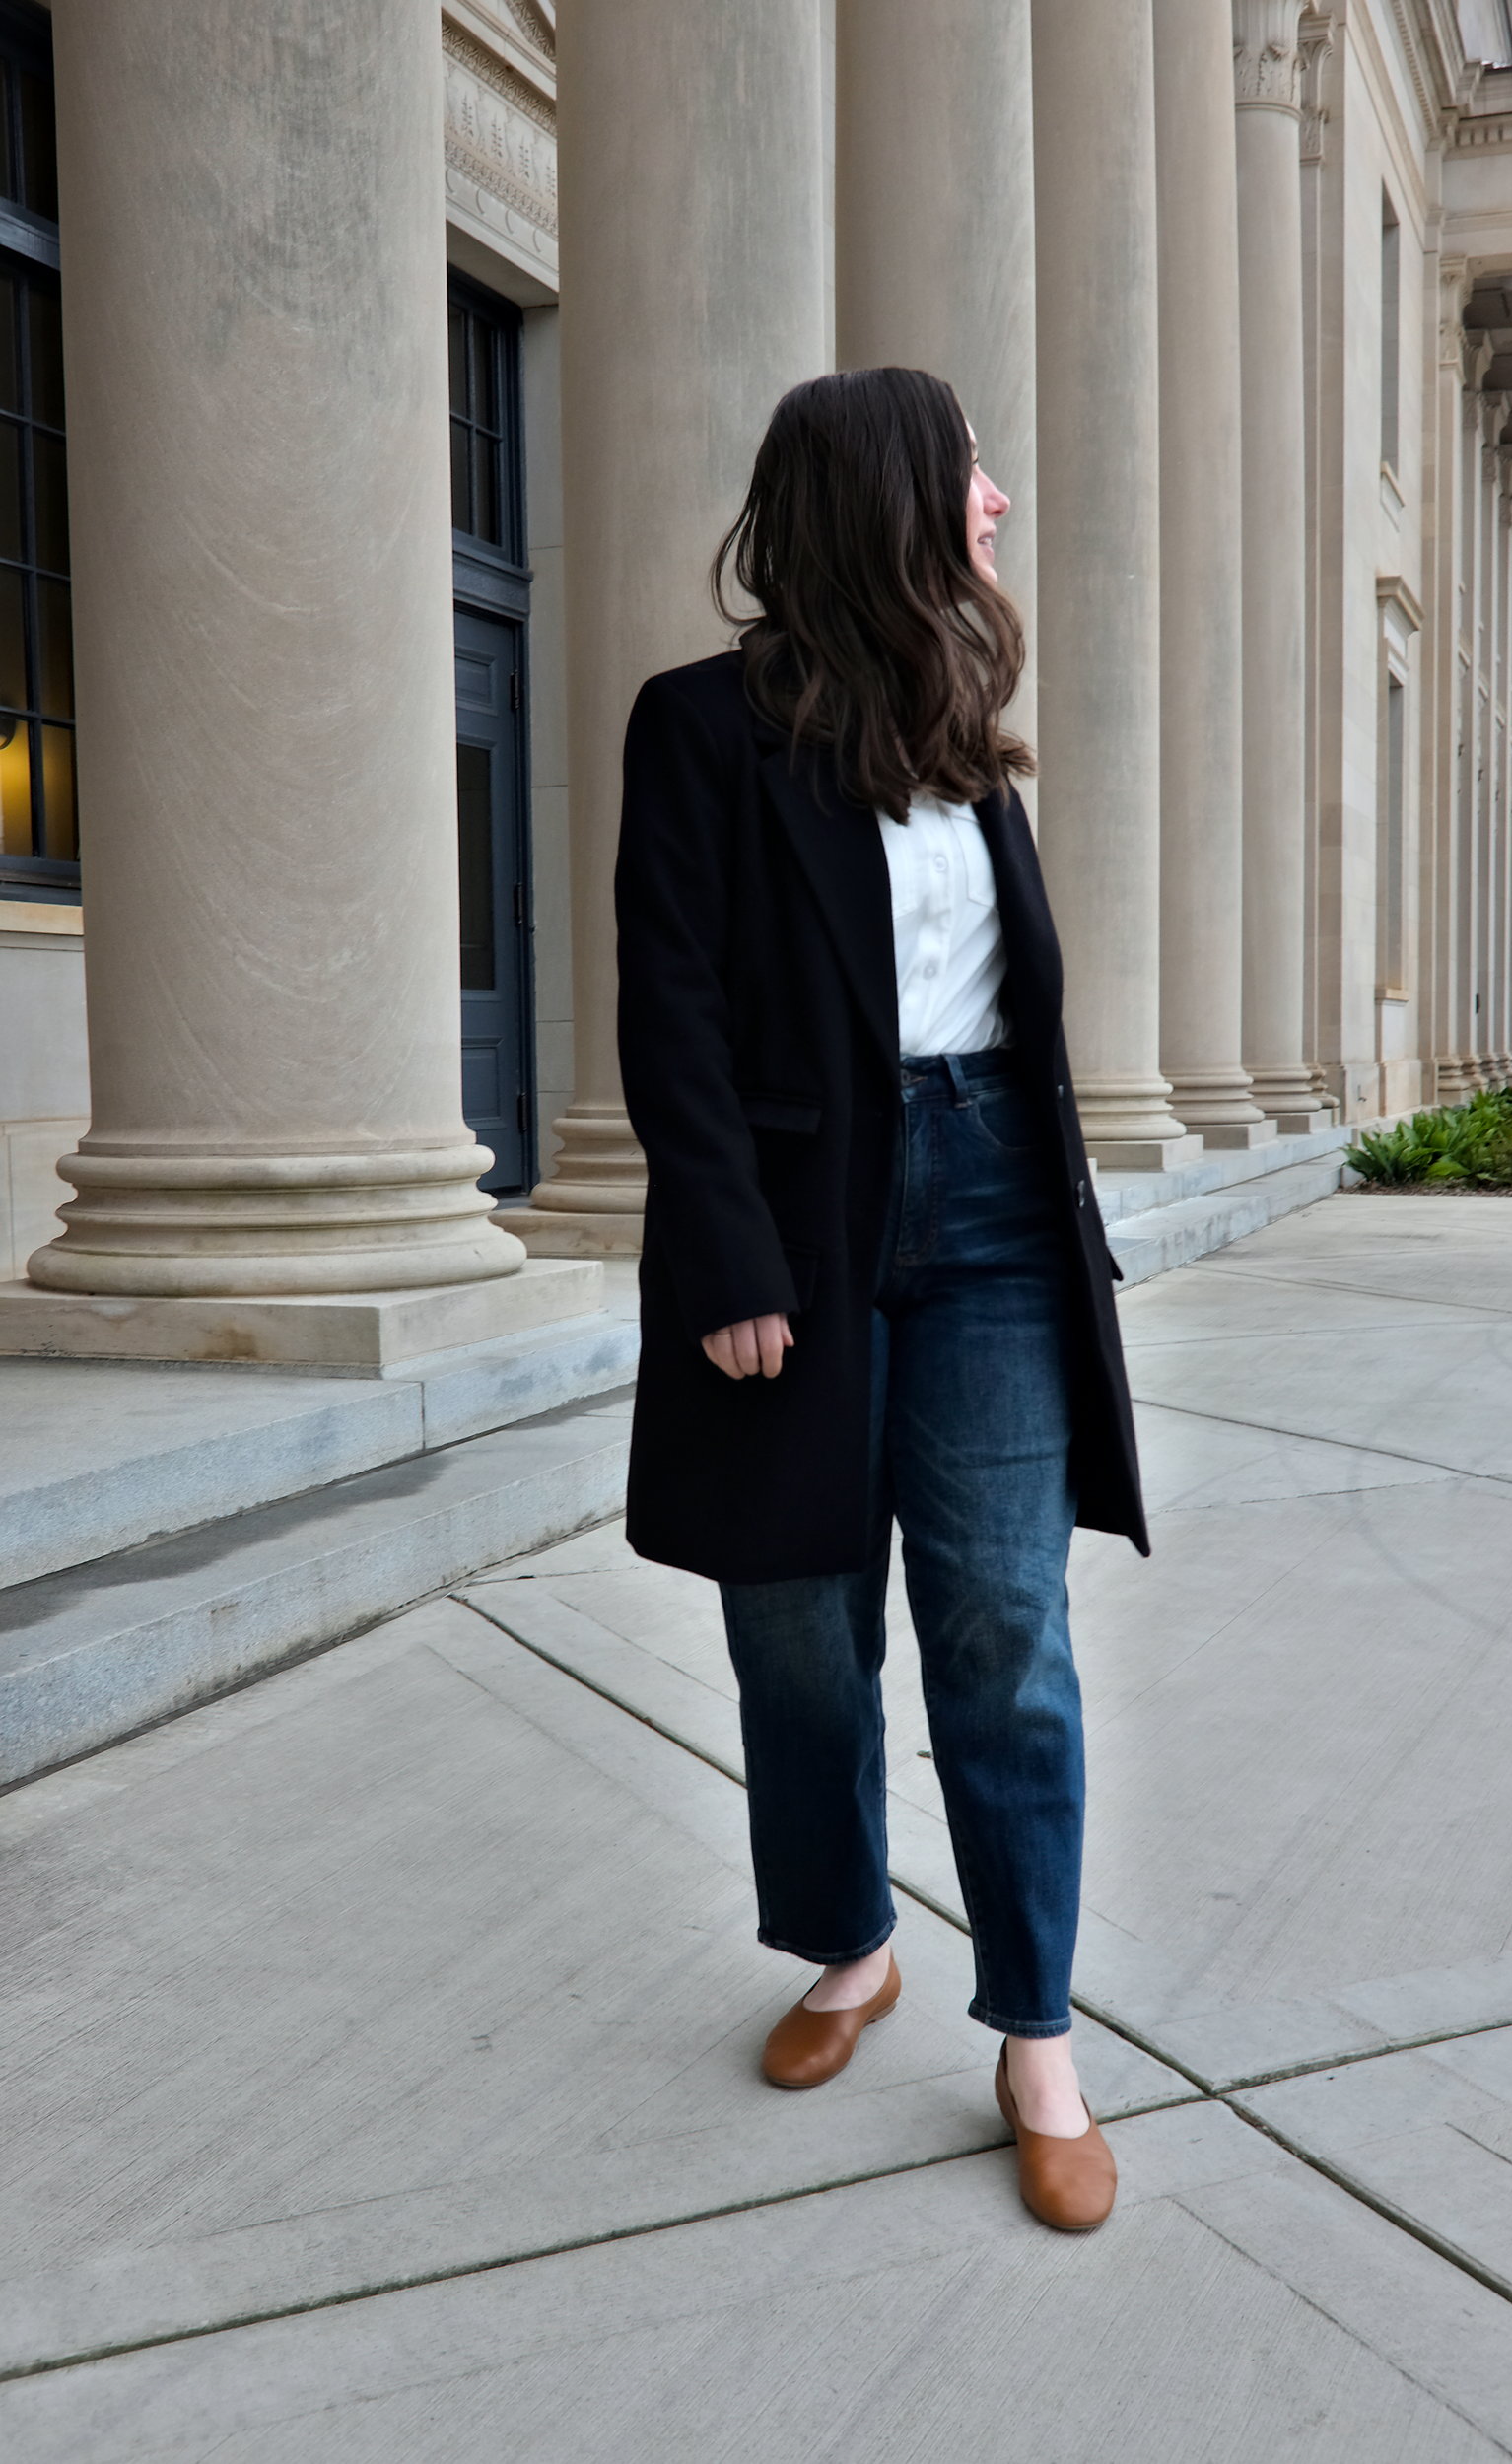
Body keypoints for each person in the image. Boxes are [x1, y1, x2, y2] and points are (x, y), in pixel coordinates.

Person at [615, 367, 1148, 2232]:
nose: (995, 499)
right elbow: (670, 1008)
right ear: (894, 502)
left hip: (994, 1206)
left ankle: (1036, 2035)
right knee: (799, 1627)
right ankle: (847, 1943)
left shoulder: (968, 730)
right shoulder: (702, 728)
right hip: (804, 1227)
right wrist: (727, 1258)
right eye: (972, 470)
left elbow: (1009, 1030)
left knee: (1004, 1630)